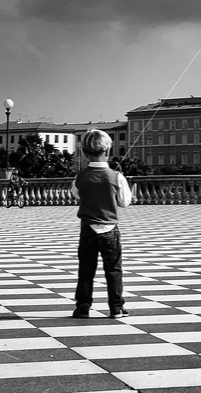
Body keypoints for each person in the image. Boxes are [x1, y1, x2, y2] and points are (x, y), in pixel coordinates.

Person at [71, 129, 132, 319]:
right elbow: (124, 202)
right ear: (107, 151)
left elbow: (75, 194)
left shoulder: (80, 176)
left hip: (87, 228)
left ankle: (83, 305)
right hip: (110, 229)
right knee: (113, 269)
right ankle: (116, 307)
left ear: (85, 153)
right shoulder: (116, 177)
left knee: (86, 269)